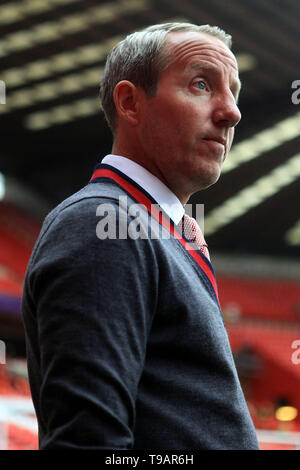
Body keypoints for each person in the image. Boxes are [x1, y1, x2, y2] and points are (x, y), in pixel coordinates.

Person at [22, 22, 259, 450]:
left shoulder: (145, 227)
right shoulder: (102, 224)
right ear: (131, 102)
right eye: (202, 84)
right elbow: (91, 445)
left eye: (234, 91)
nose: (232, 112)